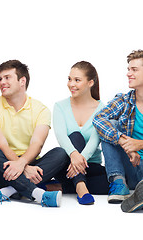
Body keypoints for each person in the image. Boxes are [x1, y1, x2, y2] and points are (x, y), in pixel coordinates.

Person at [93, 50, 143, 212]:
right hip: (126, 165)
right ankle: (118, 183)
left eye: (134, 70)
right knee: (110, 124)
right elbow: (98, 119)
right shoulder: (123, 100)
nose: (128, 73)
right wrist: (124, 143)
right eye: (128, 69)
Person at [0, 60, 68, 207]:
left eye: (7, 77)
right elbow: (0, 143)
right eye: (0, 79)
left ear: (22, 81)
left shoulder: (40, 109)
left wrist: (23, 164)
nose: (2, 82)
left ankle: (5, 192)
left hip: (30, 163)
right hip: (2, 167)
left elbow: (37, 144)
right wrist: (22, 167)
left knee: (61, 153)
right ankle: (38, 194)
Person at [53, 61, 109, 205]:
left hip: (90, 166)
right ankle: (80, 188)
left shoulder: (102, 108)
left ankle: (55, 186)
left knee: (109, 183)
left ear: (90, 83)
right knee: (75, 136)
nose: (71, 84)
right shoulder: (60, 106)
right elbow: (61, 136)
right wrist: (74, 155)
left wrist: (80, 160)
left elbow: (95, 140)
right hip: (67, 163)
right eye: (69, 79)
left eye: (77, 80)